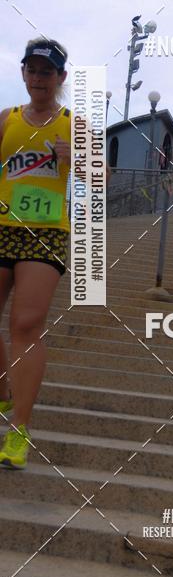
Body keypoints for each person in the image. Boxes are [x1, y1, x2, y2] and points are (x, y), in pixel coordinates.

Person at [0, 39, 73, 469]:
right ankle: (5, 390)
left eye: (48, 72)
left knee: (25, 324)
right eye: (33, 70)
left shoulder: (72, 124)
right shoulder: (7, 119)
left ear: (60, 78)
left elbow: (100, 177)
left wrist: (77, 159)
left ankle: (19, 432)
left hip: (44, 234)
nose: (39, 79)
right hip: (2, 226)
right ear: (24, 74)